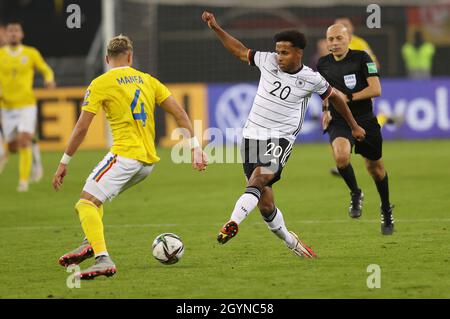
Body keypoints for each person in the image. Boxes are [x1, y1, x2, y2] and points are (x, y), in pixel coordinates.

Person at [202, 11, 365, 258]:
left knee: (257, 179)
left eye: (285, 52)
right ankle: (291, 242)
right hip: (251, 136)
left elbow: (336, 98)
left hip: (279, 138)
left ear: (299, 53)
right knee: (265, 204)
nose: (279, 57)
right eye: (277, 51)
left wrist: (353, 126)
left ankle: (233, 222)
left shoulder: (311, 78)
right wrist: (215, 27)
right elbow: (238, 50)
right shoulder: (267, 61)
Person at [52, 35, 208, 279]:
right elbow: (179, 113)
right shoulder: (148, 80)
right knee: (96, 199)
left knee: (85, 204)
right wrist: (195, 147)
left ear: (106, 58)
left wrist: (64, 161)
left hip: (124, 156)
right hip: (146, 163)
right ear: (130, 56)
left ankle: (102, 258)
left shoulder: (101, 83)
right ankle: (89, 242)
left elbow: (82, 127)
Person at [317, 24, 394, 235]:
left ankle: (386, 208)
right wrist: (326, 110)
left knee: (376, 170)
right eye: (330, 39)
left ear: (348, 39)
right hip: (340, 121)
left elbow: (376, 89)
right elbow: (324, 92)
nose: (334, 43)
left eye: (338, 38)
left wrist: (348, 98)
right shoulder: (322, 64)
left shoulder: (362, 58)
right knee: (341, 158)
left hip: (365, 120)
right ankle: (355, 193)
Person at [0, 20, 53, 191]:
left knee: (24, 141)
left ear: (21, 34)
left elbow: (46, 69)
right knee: (13, 147)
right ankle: (37, 162)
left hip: (26, 104)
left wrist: (49, 79)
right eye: (10, 31)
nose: (14, 34)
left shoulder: (31, 53)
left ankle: (23, 182)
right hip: (7, 107)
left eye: (16, 31)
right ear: (5, 35)